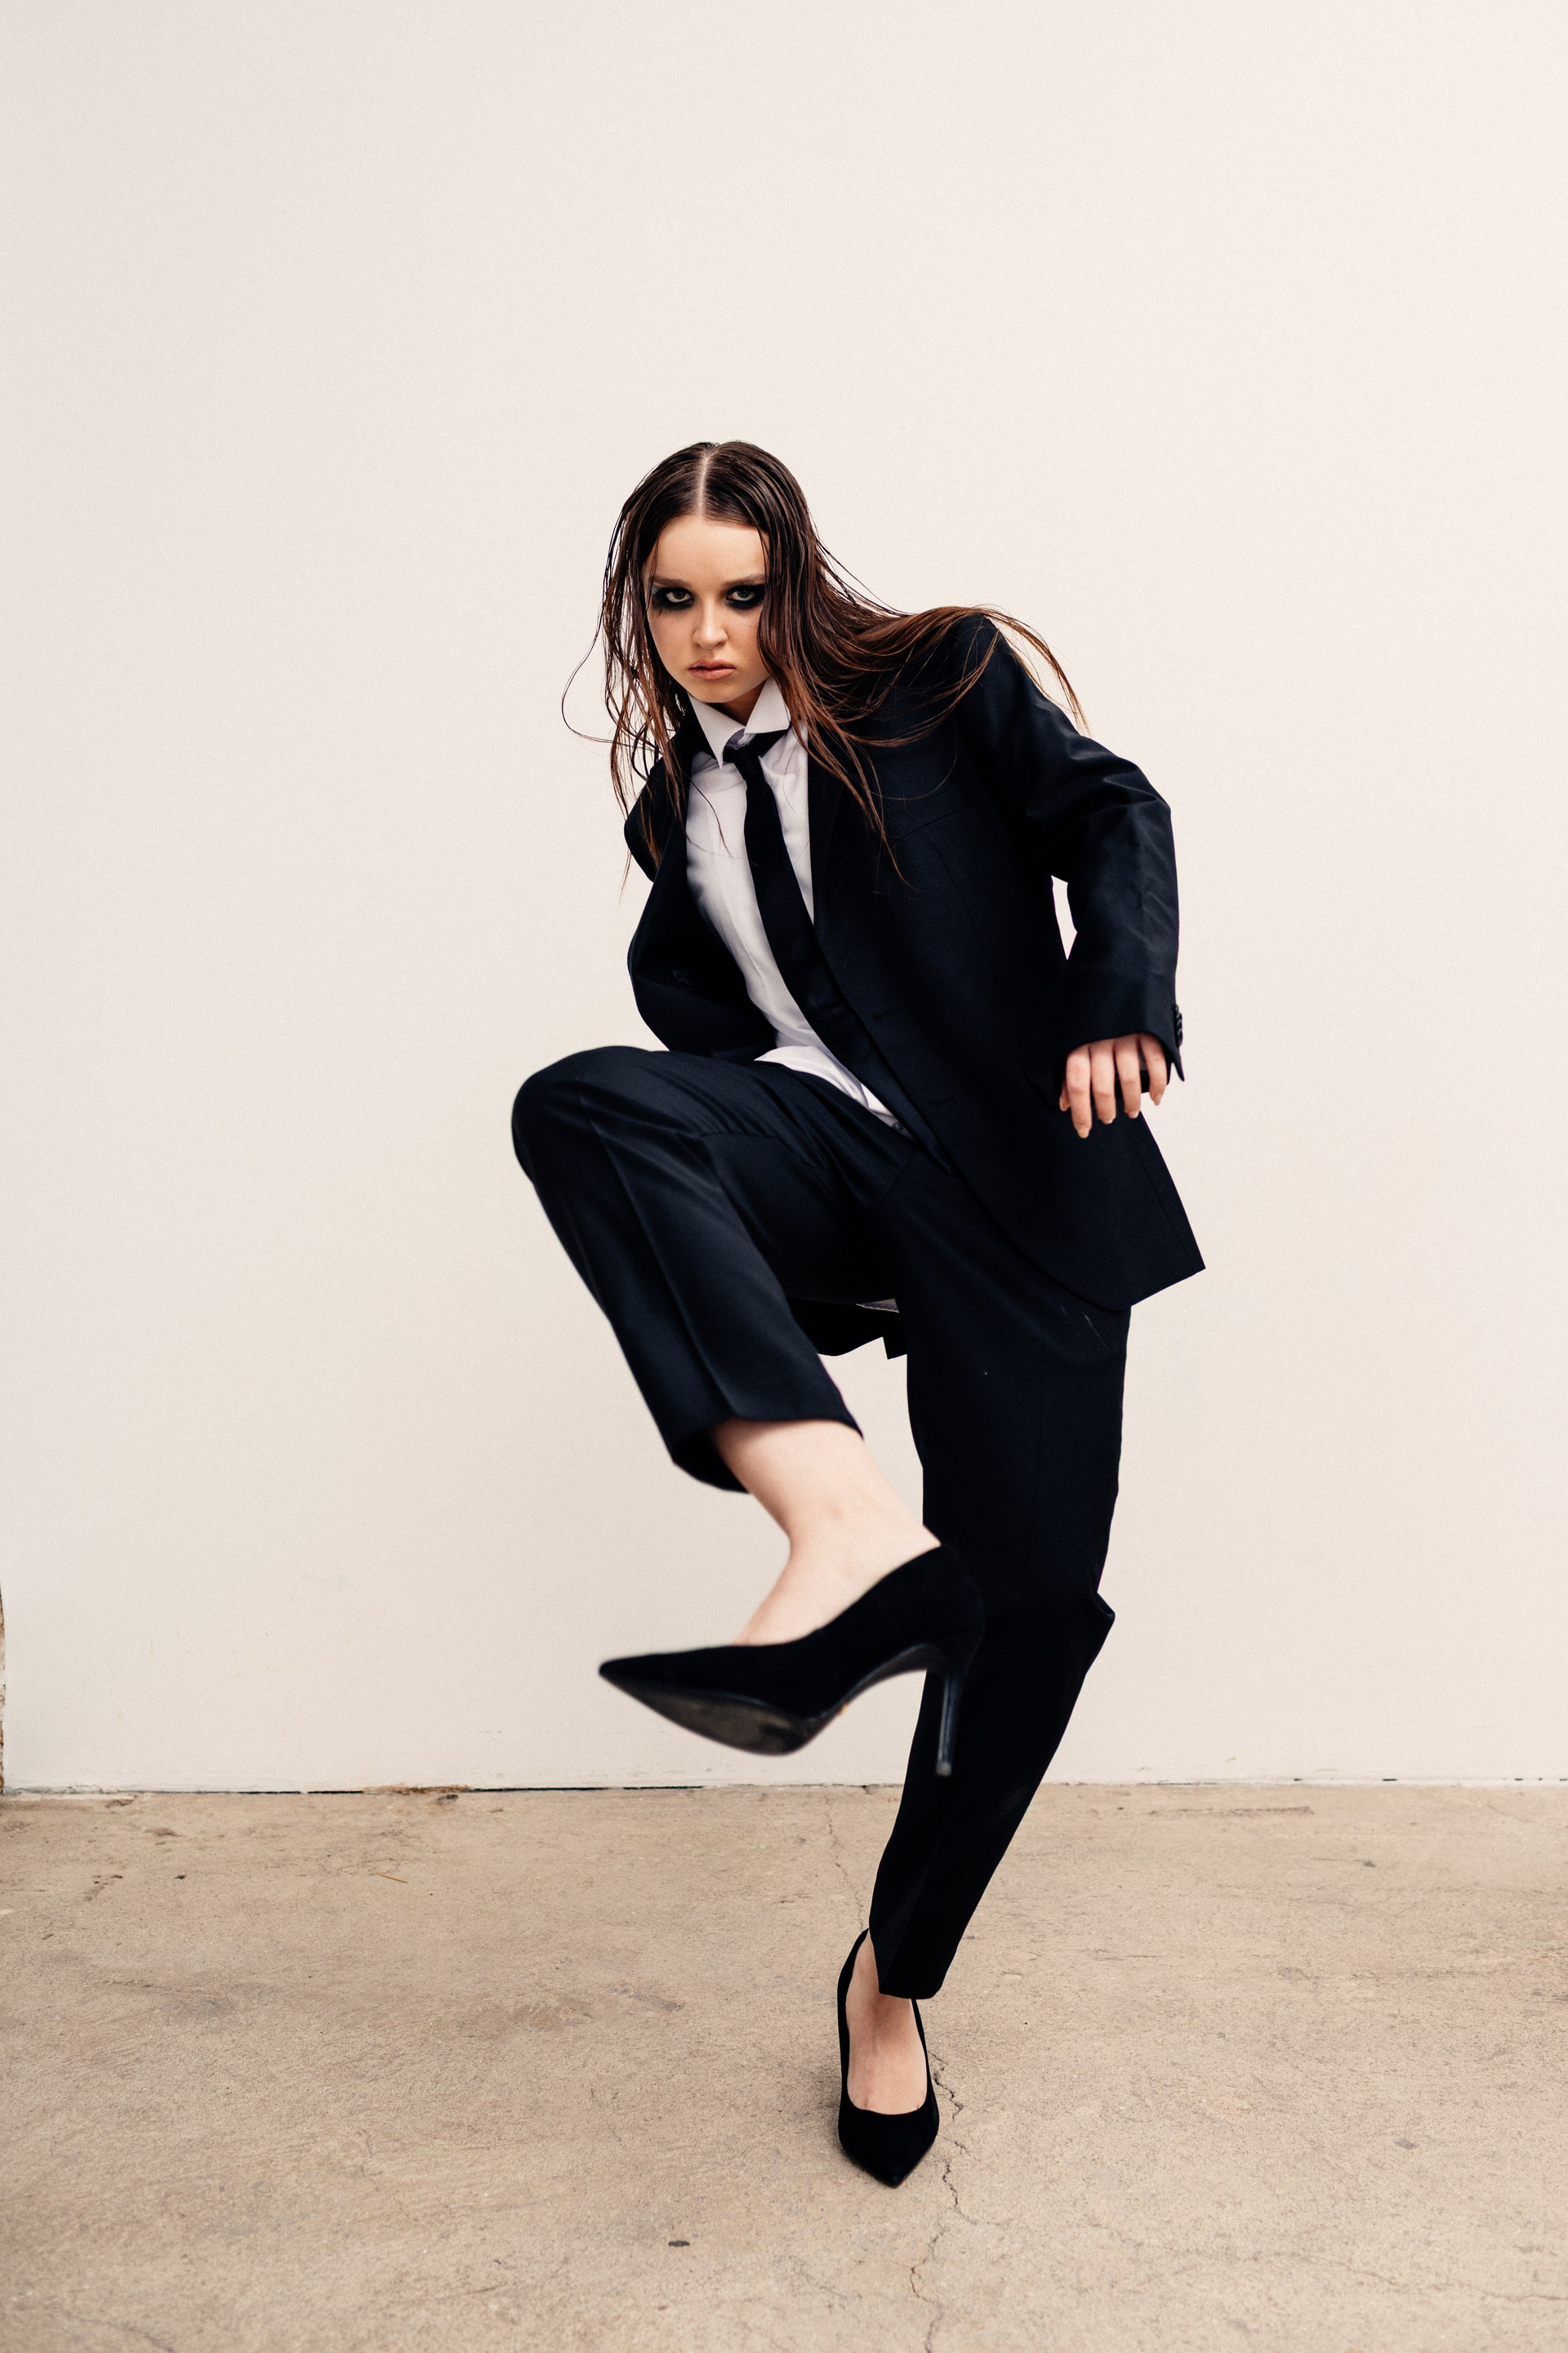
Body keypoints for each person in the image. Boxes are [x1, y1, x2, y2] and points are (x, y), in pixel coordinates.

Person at [512, 440, 1201, 2186]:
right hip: (836, 1164)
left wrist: (1119, 995)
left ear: (795, 581)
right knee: (588, 1102)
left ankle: (893, 1974)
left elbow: (1115, 810)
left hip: (1025, 1185)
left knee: (1028, 1616)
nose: (709, 634)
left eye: (742, 594)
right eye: (674, 601)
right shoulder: (675, 811)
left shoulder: (941, 681)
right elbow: (723, 1041)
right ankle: (837, 1521)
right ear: (637, 610)